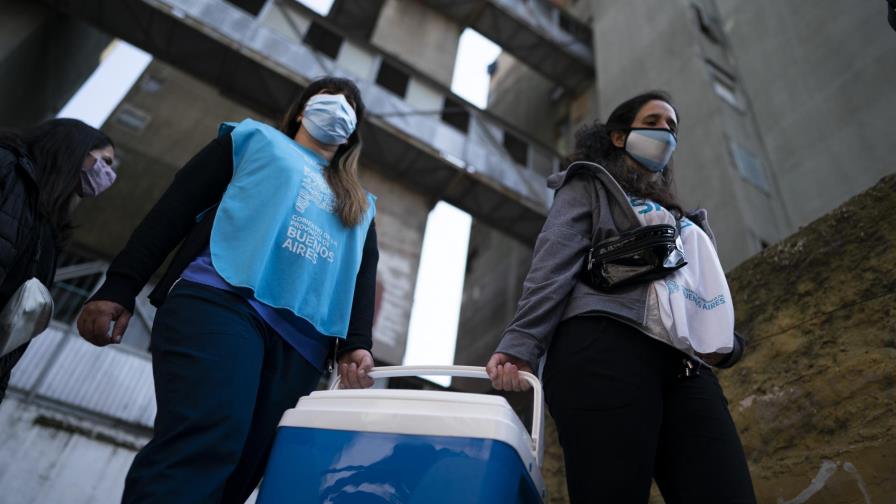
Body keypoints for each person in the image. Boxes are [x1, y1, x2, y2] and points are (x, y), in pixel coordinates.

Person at [76, 77, 379, 503]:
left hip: (302, 346)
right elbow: (176, 207)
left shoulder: (361, 205)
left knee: (243, 472)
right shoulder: (252, 139)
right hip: (222, 303)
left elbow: (362, 278)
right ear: (300, 109)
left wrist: (356, 343)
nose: (342, 106)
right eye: (333, 97)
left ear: (352, 133)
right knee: (205, 440)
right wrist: (120, 285)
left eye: (353, 106)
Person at [486, 91, 756, 503]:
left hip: (685, 367)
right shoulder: (589, 184)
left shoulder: (683, 218)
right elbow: (552, 263)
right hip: (604, 348)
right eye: (653, 122)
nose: (666, 131)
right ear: (618, 136)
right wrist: (521, 343)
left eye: (672, 126)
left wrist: (725, 344)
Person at [0, 119, 117, 403]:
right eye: (105, 162)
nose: (108, 175)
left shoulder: (47, 222)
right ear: (77, 150)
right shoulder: (8, 167)